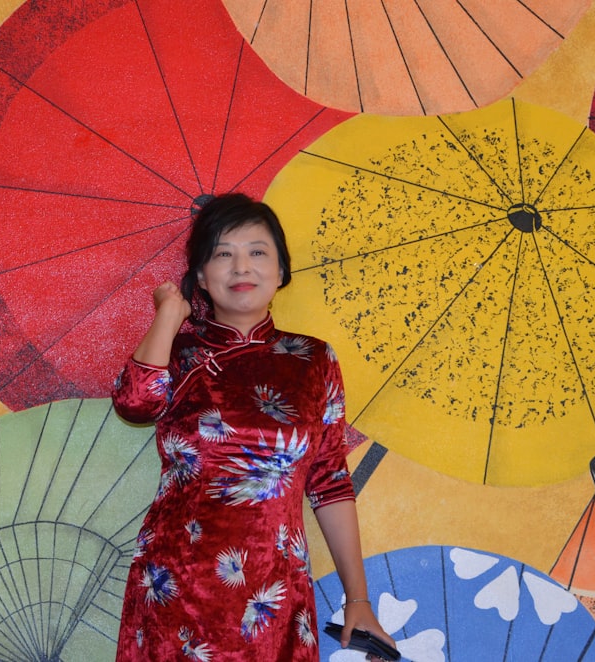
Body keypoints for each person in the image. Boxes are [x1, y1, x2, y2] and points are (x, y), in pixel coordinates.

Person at [111, 193, 395, 661]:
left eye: (258, 252)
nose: (241, 266)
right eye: (223, 254)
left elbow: (329, 481)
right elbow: (134, 404)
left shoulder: (314, 359)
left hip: (273, 601)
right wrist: (168, 314)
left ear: (282, 272)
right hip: (176, 592)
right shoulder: (177, 352)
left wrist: (357, 599)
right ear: (201, 276)